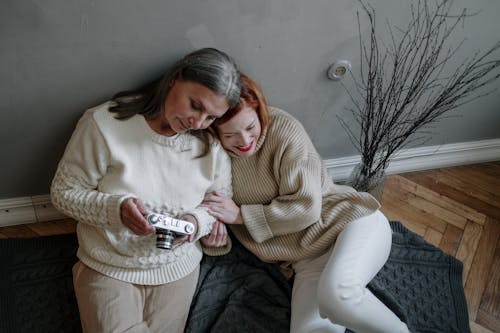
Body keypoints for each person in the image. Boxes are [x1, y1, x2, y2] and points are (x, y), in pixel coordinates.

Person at [200, 73, 410, 333]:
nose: (244, 141)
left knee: (338, 296)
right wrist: (217, 240)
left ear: (260, 112)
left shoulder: (283, 129)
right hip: (304, 262)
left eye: (250, 127)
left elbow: (306, 209)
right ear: (214, 129)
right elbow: (222, 216)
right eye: (230, 134)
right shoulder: (216, 159)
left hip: (347, 223)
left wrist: (242, 215)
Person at [50, 48, 241, 333]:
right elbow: (63, 193)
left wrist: (194, 223)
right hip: (109, 262)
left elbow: (218, 205)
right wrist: (116, 210)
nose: (198, 123)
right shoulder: (104, 125)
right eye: (195, 105)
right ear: (175, 79)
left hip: (177, 266)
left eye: (212, 117)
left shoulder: (209, 146)